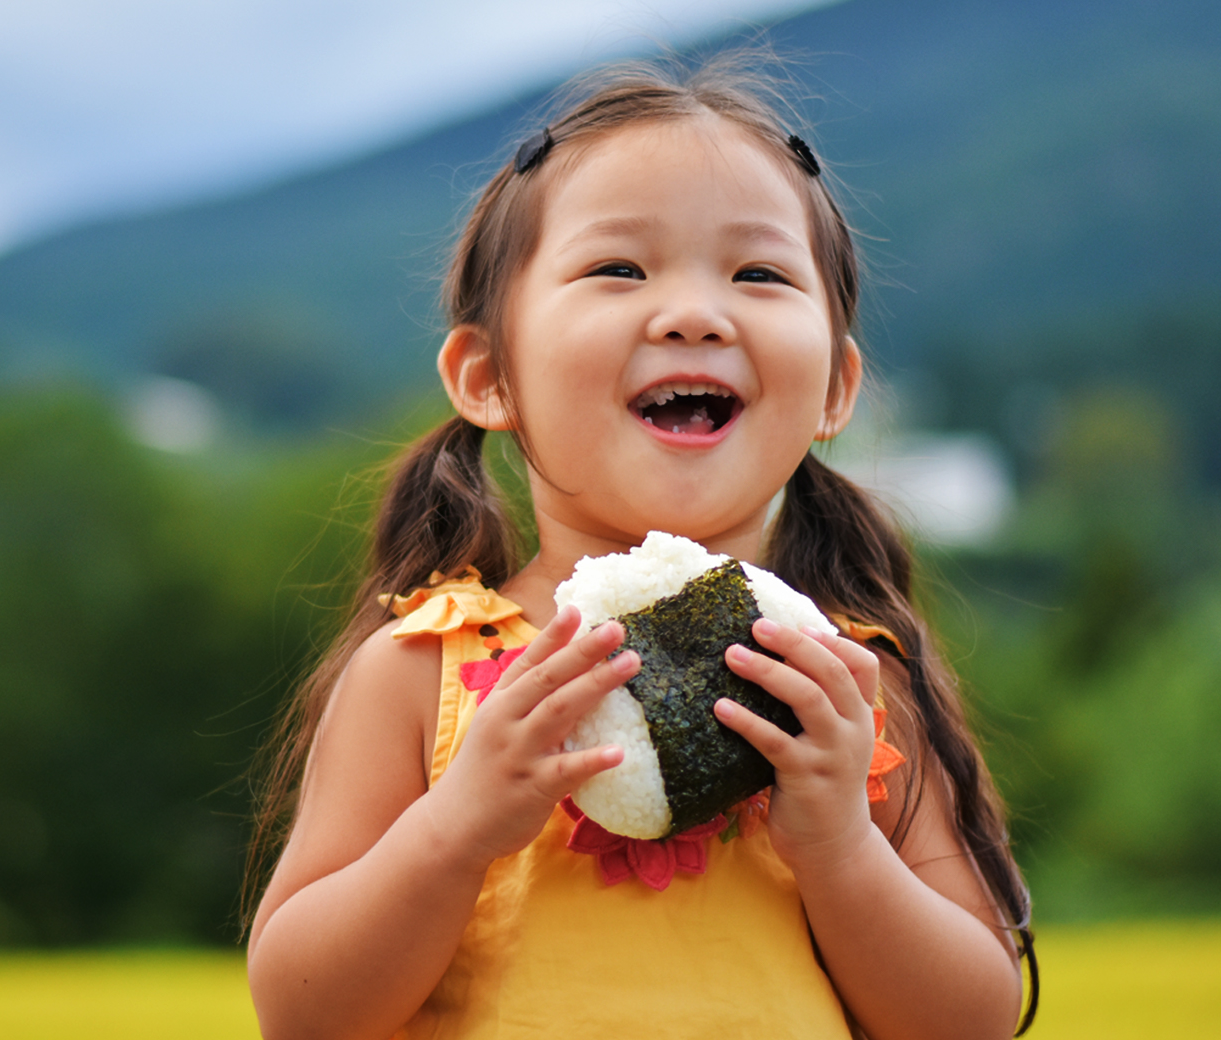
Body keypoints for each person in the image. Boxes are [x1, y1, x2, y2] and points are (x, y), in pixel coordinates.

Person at [244, 51, 1036, 1040]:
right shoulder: (419, 670)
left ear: (837, 388)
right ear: (489, 376)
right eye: (619, 269)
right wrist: (455, 831)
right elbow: (301, 1013)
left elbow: (972, 1022)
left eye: (758, 274)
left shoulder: (848, 687)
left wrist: (842, 846)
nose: (696, 316)